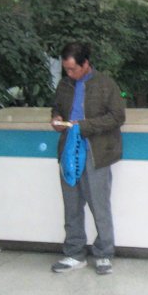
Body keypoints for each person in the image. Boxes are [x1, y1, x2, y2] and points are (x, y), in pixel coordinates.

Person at [50, 42, 126, 275]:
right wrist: (57, 118)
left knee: (98, 204)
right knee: (71, 204)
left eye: (73, 69)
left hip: (96, 152)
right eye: (66, 69)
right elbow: (56, 109)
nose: (69, 74)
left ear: (85, 64)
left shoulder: (105, 84)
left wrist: (84, 126)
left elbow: (117, 117)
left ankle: (104, 253)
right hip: (68, 152)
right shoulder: (64, 85)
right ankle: (74, 253)